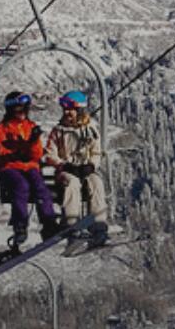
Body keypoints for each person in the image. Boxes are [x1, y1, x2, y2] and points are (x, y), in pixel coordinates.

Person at [0, 91, 61, 245]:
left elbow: (37, 154)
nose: (22, 113)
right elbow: (0, 150)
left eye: (24, 109)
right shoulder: (2, 128)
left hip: (30, 166)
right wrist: (16, 153)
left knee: (40, 187)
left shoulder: (30, 127)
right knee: (21, 185)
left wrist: (33, 141)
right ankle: (20, 224)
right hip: (9, 167)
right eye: (18, 110)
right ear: (11, 110)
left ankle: (48, 222)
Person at [44, 90, 109, 247]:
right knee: (71, 183)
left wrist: (91, 164)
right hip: (66, 171)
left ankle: (99, 227)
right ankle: (72, 225)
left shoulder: (90, 129)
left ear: (79, 110)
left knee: (96, 182)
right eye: (65, 110)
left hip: (84, 169)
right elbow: (49, 154)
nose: (67, 113)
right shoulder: (58, 131)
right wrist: (62, 164)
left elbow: (96, 151)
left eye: (70, 110)